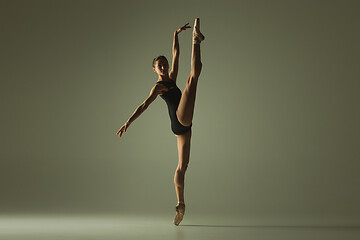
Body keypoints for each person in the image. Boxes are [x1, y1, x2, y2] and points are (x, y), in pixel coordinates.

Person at [116, 18, 204, 226]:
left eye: (164, 64)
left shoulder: (171, 78)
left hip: (182, 128)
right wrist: (128, 122)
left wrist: (174, 34)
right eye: (159, 65)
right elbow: (144, 105)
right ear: (154, 69)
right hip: (181, 119)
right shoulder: (158, 87)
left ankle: (180, 204)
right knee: (193, 77)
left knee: (182, 167)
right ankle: (197, 40)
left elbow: (175, 54)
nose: (164, 67)